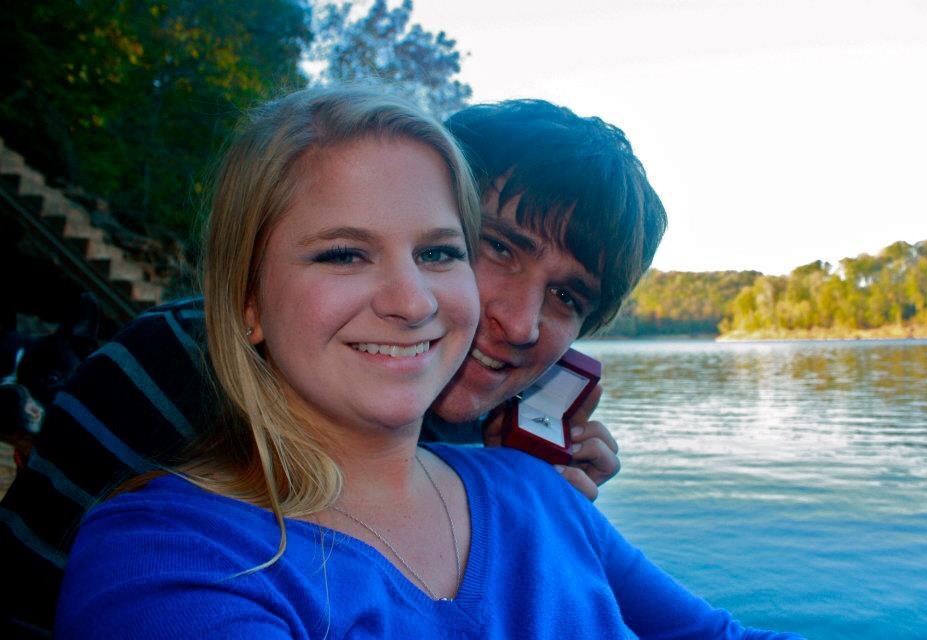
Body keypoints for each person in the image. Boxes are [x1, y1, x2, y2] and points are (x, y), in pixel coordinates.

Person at [55, 85, 802, 640]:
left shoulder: (524, 485)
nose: (519, 324)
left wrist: (540, 517)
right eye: (496, 247)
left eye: (569, 296)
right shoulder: (168, 399)